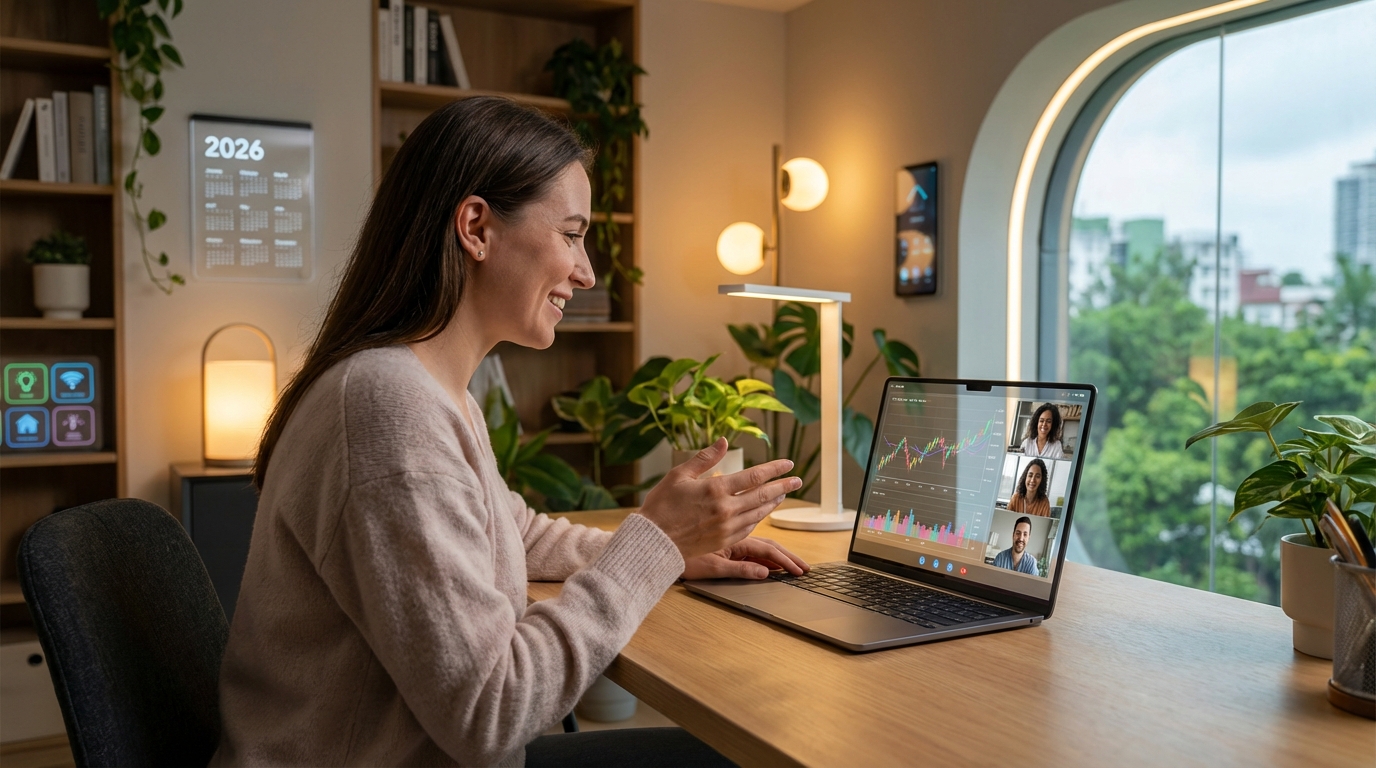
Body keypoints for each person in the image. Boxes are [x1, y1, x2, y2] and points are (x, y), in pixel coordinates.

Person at [211, 97, 809, 768]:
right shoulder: (389, 408)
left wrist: (669, 555)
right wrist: (653, 542)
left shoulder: (425, 388)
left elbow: (509, 530)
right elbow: (490, 712)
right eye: (572, 234)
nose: (585, 273)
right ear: (476, 227)